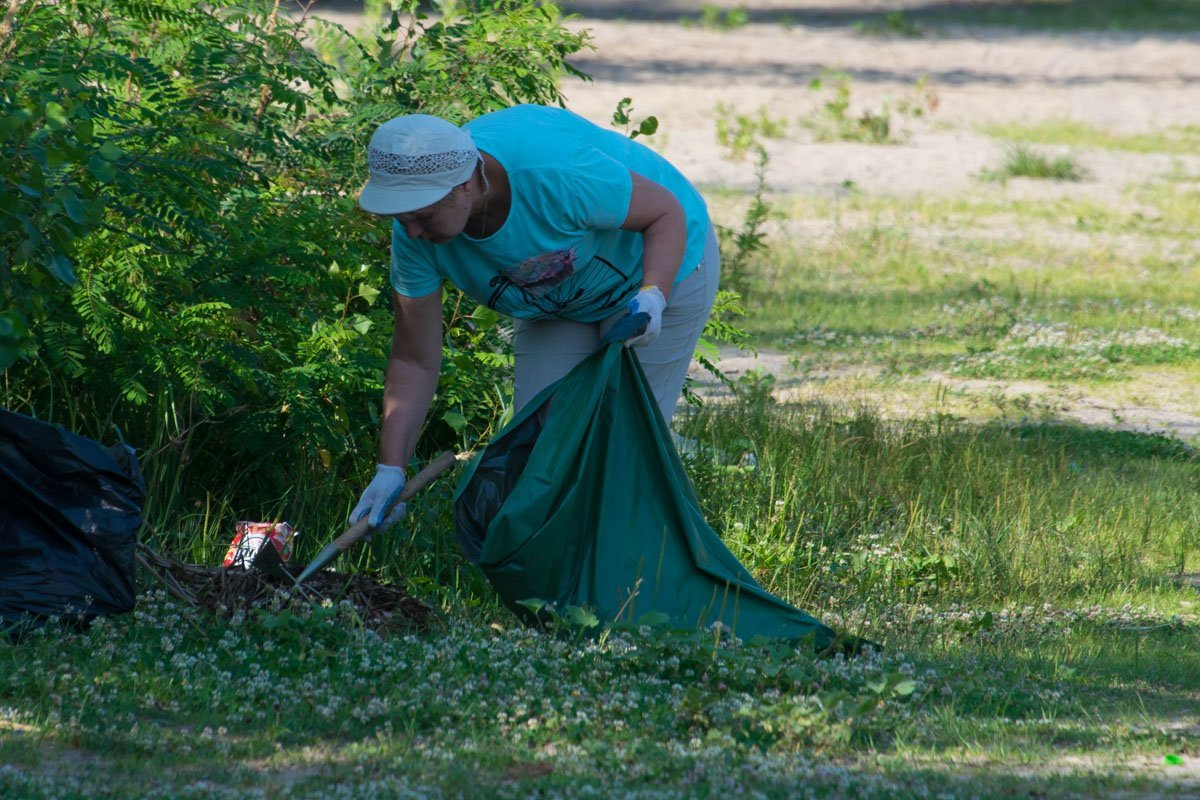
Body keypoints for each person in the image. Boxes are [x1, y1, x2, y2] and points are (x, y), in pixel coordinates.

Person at [349, 103, 720, 530]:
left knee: (623, 442)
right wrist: (390, 469)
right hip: (557, 299)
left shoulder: (551, 172)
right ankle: (550, 580)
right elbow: (414, 360)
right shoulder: (416, 237)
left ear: (466, 184)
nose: (412, 231)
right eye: (401, 218)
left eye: (422, 215)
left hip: (653, 265)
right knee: (541, 446)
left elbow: (664, 213)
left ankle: (627, 576)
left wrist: (654, 296)